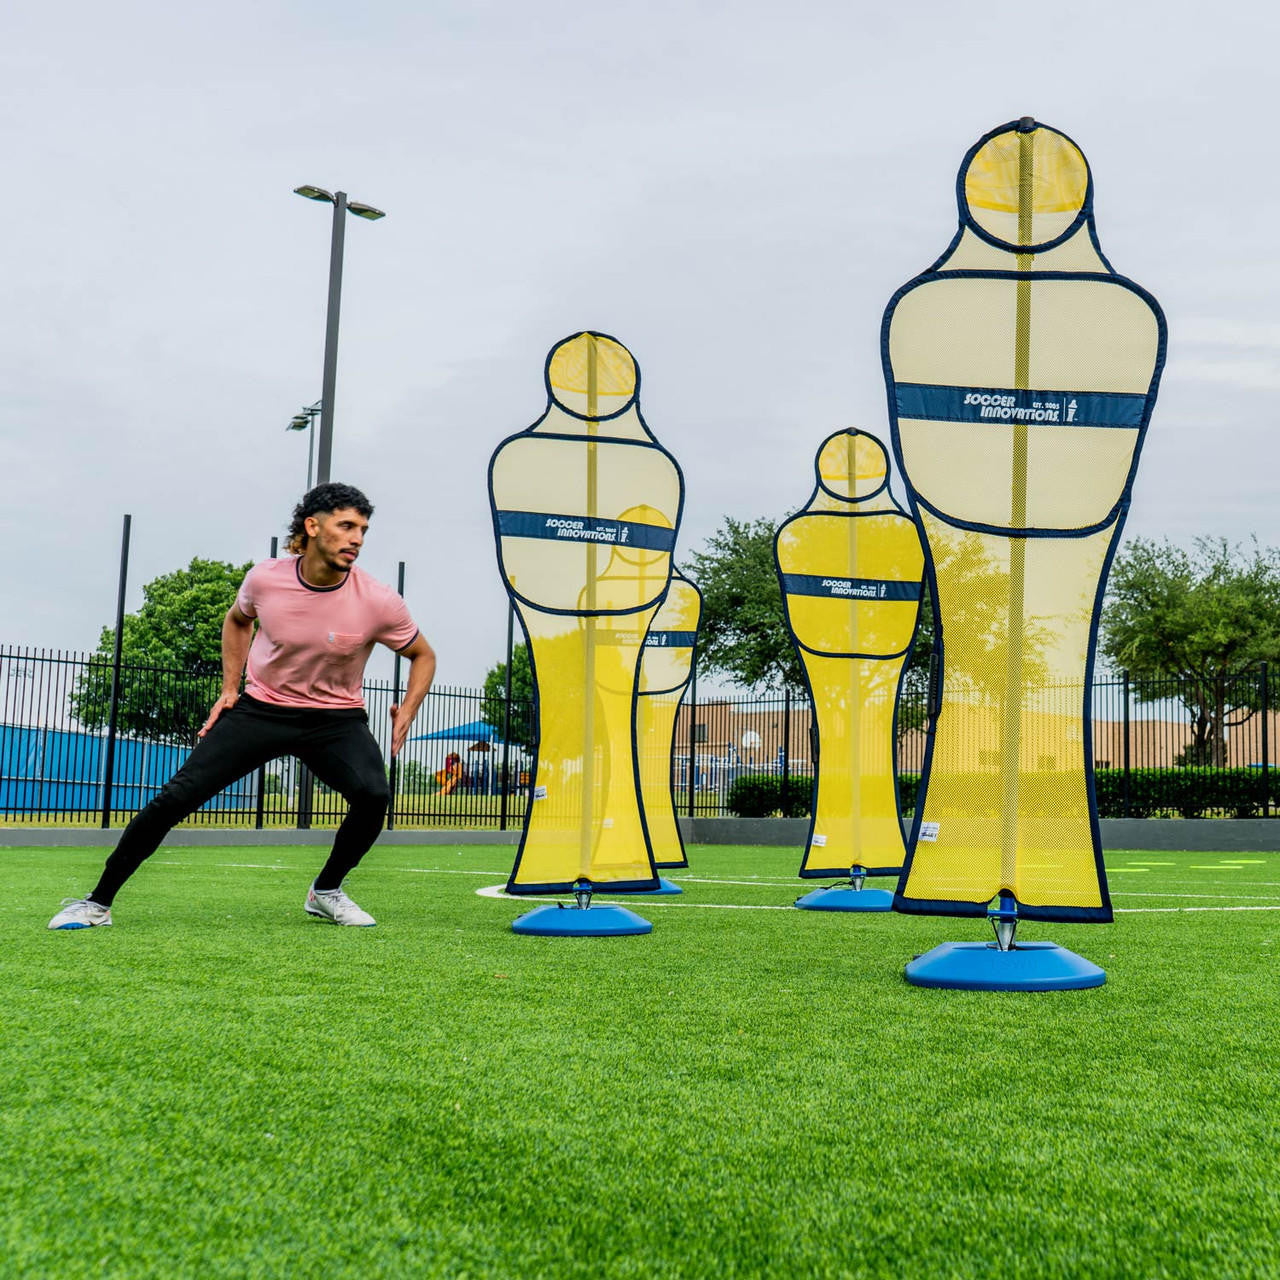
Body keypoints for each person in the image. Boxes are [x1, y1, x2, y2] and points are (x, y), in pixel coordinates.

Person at [49, 482, 436, 930]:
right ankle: (97, 903)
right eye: (346, 526)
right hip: (263, 709)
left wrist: (409, 708)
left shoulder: (379, 600)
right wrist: (230, 688)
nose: (357, 539)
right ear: (312, 527)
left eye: (363, 530)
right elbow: (237, 620)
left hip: (335, 718)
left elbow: (423, 654)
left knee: (373, 796)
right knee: (175, 798)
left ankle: (326, 890)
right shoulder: (265, 579)